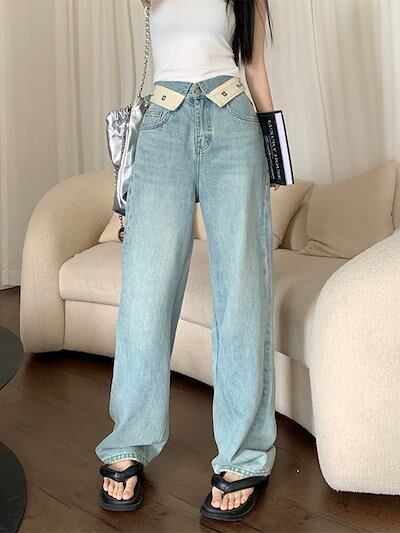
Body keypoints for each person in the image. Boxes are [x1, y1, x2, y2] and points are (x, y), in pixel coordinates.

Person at [95, 0, 280, 521]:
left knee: (242, 292)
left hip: (233, 121)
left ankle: (244, 456)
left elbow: (255, 70)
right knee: (145, 294)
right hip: (163, 126)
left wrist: (275, 155)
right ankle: (129, 440)